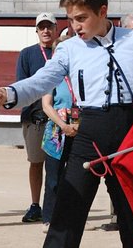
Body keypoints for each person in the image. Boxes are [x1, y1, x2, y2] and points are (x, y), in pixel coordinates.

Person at [0, 0, 133, 248]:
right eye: (70, 19)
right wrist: (8, 93)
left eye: (81, 18)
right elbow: (42, 80)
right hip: (89, 133)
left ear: (102, 11)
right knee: (66, 216)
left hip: (131, 135)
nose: (75, 26)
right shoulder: (69, 48)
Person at [17, 12, 59, 224]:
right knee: (36, 162)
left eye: (49, 27)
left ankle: (56, 206)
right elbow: (22, 84)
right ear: (36, 30)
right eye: (41, 27)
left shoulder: (62, 51)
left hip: (59, 118)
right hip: (35, 118)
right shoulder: (27, 54)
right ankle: (35, 205)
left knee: (58, 164)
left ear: (55, 29)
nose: (45, 31)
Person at [40, 35, 78, 233]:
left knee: (74, 177)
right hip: (57, 131)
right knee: (53, 178)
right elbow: (46, 106)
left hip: (78, 129)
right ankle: (49, 218)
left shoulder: (81, 73)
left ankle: (69, 217)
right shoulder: (52, 76)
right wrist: (63, 125)